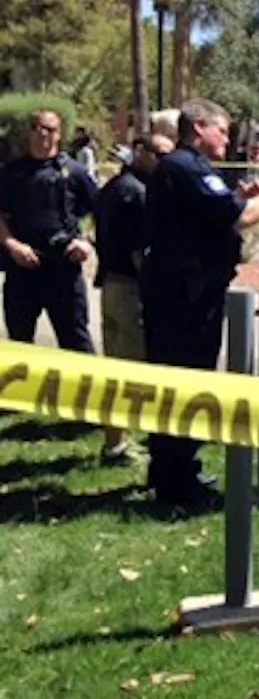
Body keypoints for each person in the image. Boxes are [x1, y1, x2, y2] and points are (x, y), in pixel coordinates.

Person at [141, 99, 259, 510]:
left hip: (181, 292)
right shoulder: (188, 167)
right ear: (200, 128)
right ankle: (177, 483)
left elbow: (210, 212)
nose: (226, 138)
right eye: (222, 130)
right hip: (187, 297)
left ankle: (174, 470)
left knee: (178, 382)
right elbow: (240, 218)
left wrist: (238, 196)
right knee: (187, 382)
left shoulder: (186, 169)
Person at [92, 134, 173, 466]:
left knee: (115, 368)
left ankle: (116, 440)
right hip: (131, 289)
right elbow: (140, 253)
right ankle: (122, 446)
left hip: (111, 284)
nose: (165, 163)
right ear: (140, 152)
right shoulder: (137, 193)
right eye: (160, 155)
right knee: (131, 372)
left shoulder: (113, 186)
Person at [0, 109, 99, 353]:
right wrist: (12, 244)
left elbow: (102, 211)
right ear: (29, 133)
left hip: (64, 268)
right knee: (20, 345)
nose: (43, 134)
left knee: (77, 344)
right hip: (23, 268)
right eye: (37, 128)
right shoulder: (11, 173)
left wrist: (87, 242)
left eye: (50, 129)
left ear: (59, 134)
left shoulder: (74, 172)